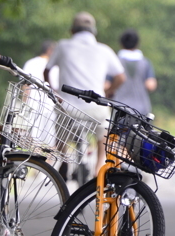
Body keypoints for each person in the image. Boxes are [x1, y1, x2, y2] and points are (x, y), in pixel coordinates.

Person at [45, 11, 125, 169]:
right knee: (104, 130)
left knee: (61, 134)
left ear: (72, 31)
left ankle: (64, 159)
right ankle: (99, 165)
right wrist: (109, 91)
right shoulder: (104, 50)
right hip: (96, 109)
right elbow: (120, 77)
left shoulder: (63, 46)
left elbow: (47, 70)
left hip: (68, 108)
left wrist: (53, 90)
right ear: (94, 32)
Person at [114, 29, 157, 117]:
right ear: (137, 44)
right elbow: (150, 85)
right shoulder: (145, 63)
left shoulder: (116, 62)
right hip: (142, 109)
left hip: (120, 108)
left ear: (121, 44)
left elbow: (106, 85)